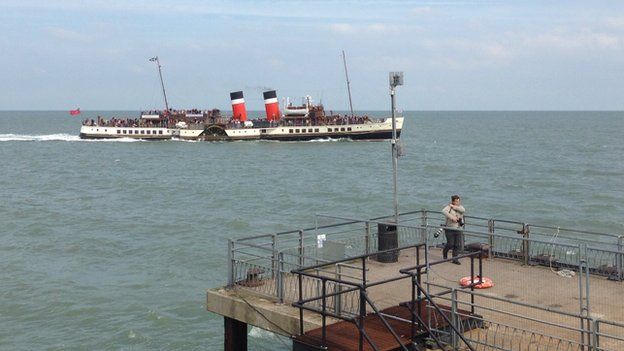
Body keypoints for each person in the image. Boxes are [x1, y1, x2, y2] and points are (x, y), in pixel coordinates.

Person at [442, 195, 466, 265]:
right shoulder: (448, 207)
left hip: (458, 228)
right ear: (452, 201)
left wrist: (455, 207)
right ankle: (445, 253)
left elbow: (463, 210)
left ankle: (455, 259)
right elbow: (443, 211)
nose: (458, 202)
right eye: (456, 201)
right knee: (450, 244)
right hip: (449, 228)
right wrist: (452, 217)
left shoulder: (460, 207)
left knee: (457, 245)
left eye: (458, 201)